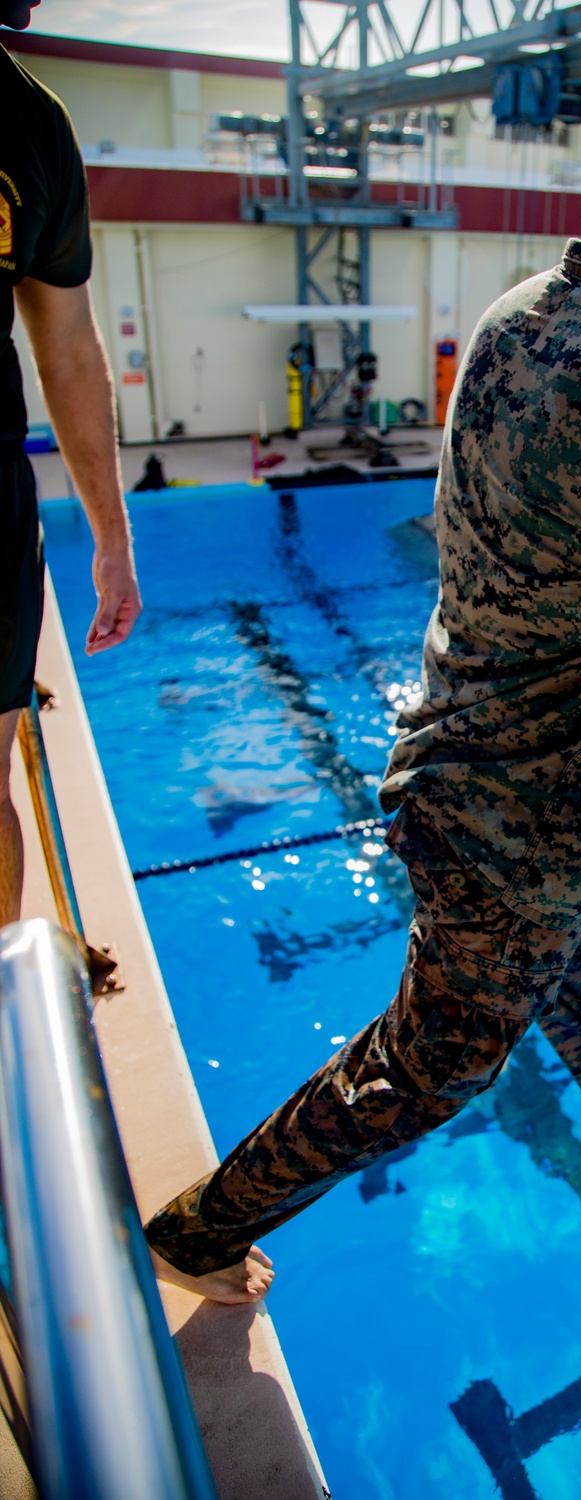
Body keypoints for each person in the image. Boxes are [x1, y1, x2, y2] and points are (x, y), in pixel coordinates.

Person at [144, 34, 581, 1305]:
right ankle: (197, 1227)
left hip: (468, 773)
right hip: (511, 835)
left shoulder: (511, 318)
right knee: (434, 1063)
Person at [1, 0, 141, 924]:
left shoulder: (32, 126)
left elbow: (73, 353)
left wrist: (113, 538)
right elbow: (69, 355)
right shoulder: (28, 123)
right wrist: (109, 542)